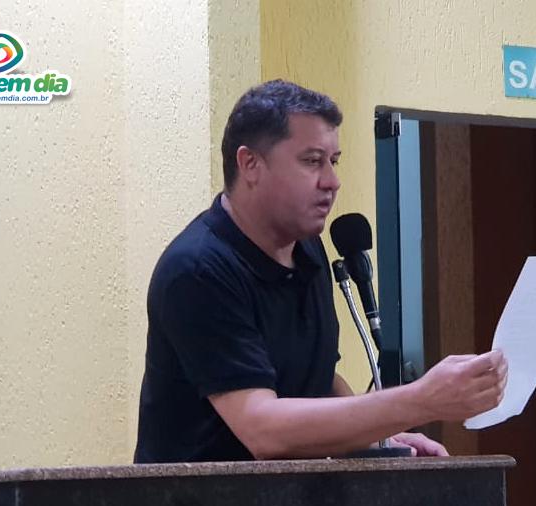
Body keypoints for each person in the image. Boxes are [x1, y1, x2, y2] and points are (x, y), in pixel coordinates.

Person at [134, 80, 508, 463]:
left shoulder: (309, 249)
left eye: (335, 161)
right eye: (312, 161)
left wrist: (388, 437)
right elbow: (263, 430)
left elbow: (319, 382)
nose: (332, 181)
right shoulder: (198, 270)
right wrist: (420, 400)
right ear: (250, 164)